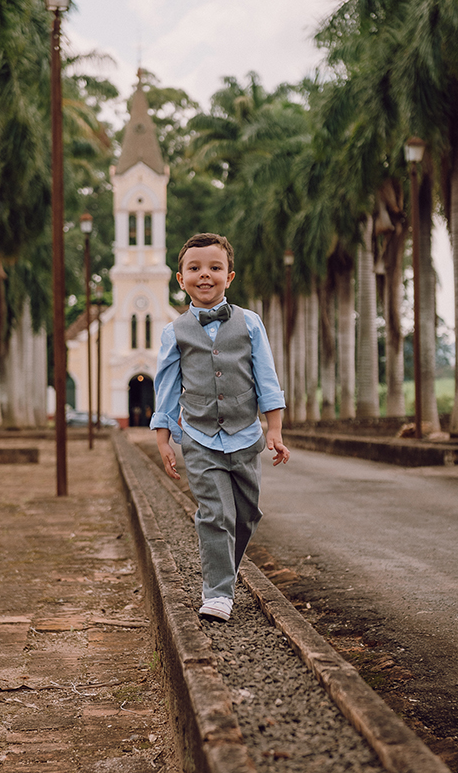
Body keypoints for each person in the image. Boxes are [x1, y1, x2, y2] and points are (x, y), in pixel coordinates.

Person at [150, 232, 290, 623]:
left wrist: (274, 429)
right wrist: (165, 438)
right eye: (194, 268)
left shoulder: (250, 323)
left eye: (214, 267)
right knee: (214, 513)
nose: (204, 274)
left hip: (246, 434)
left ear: (229, 276)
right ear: (181, 279)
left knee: (246, 515)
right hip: (199, 436)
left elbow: (265, 376)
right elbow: (166, 387)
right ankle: (217, 593)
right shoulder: (173, 331)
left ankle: (222, 570)